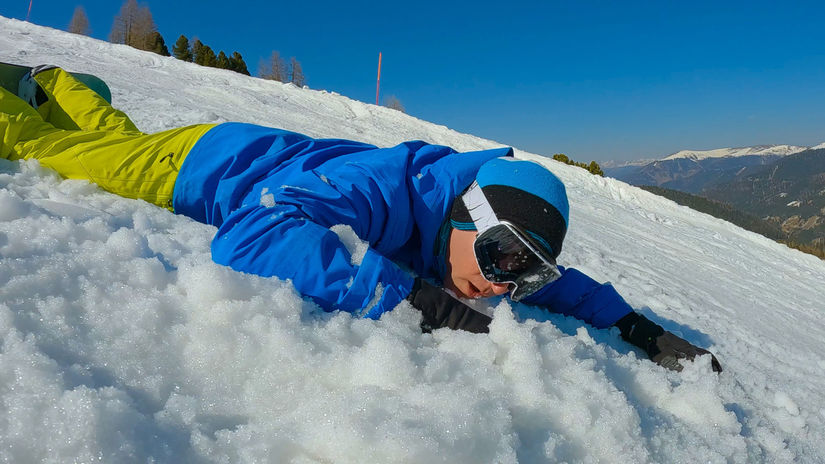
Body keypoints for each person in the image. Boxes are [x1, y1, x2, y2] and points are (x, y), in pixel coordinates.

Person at [1, 66, 721, 373]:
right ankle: (40, 96)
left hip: (235, 152)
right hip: (199, 166)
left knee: (105, 139)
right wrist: (414, 298)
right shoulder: (383, 187)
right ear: (467, 217)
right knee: (49, 149)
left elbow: (561, 285)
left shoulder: (471, 237)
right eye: (503, 259)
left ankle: (63, 83)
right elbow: (255, 233)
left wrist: (637, 328)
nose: (507, 284)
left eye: (525, 271)